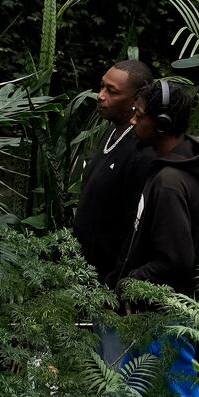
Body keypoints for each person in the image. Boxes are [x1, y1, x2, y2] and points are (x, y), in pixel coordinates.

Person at [117, 80, 199, 397]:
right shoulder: (184, 168)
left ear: (161, 123)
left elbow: (177, 259)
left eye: (139, 116)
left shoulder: (169, 182)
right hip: (168, 309)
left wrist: (131, 281)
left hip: (168, 312)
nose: (132, 121)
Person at [73, 59, 154, 289]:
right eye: (102, 87)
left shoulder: (140, 150)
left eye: (112, 91)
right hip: (83, 270)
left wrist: (117, 279)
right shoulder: (109, 132)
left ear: (136, 100)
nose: (100, 95)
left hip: (108, 279)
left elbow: (133, 225)